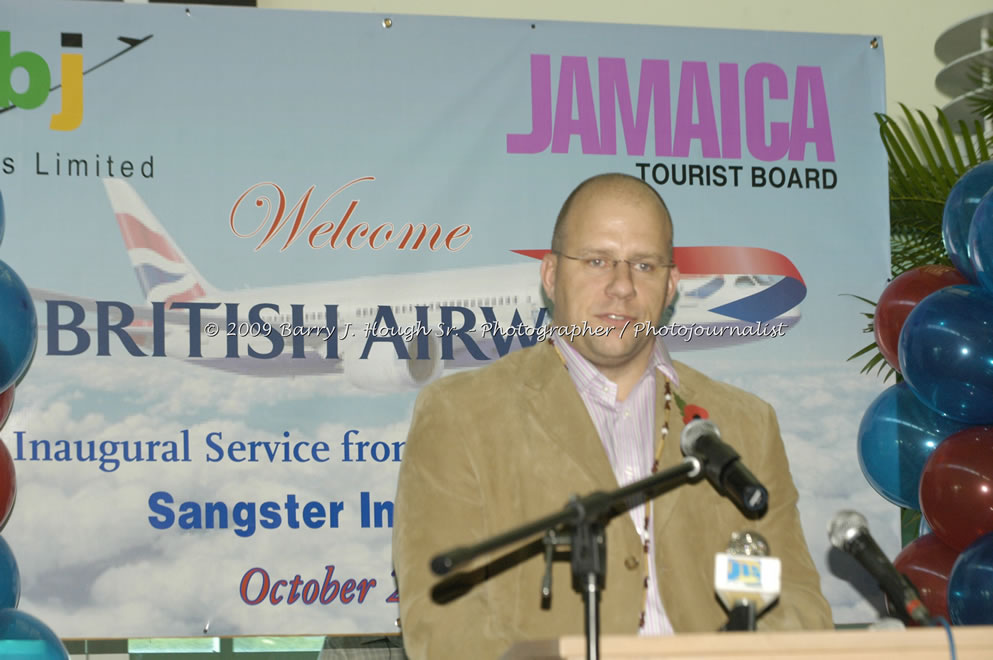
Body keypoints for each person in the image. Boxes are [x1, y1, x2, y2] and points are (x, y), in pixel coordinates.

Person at [392, 173, 832, 659]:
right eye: (597, 260)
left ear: (671, 285)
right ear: (551, 275)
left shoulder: (747, 423)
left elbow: (797, 602)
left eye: (643, 265)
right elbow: (442, 622)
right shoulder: (460, 415)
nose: (621, 286)